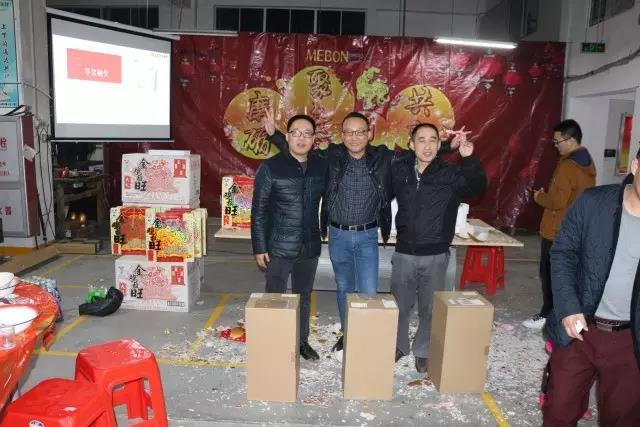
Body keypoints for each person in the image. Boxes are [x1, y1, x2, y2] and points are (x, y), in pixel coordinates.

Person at [265, 108, 457, 351]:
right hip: (338, 235)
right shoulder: (331, 157)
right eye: (349, 132)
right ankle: (348, 333)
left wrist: (448, 147)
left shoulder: (384, 158)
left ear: (369, 134)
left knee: (368, 290)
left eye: (360, 132)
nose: (354, 137)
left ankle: (364, 335)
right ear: (342, 135)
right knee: (344, 287)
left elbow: (419, 152)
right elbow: (300, 150)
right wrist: (274, 135)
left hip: (367, 235)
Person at [543, 147, 640, 426]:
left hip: (630, 341)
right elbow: (563, 252)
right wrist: (568, 307)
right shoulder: (594, 202)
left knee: (623, 418)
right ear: (635, 166)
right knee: (559, 411)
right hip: (580, 329)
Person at [391, 123, 486, 373]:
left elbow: (478, 189)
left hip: (435, 253)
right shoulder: (400, 171)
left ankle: (423, 350)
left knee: (430, 307)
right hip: (403, 252)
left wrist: (469, 159)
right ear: (411, 144)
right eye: (421, 140)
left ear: (438, 144)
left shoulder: (450, 174)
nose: (427, 146)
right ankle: (399, 345)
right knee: (400, 304)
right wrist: (446, 148)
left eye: (433, 140)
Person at [251, 114, 327, 361]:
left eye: (307, 134)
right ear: (287, 136)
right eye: (296, 133)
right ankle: (274, 343)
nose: (301, 138)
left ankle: (301, 340)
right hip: (278, 247)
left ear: (314, 139)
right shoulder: (271, 167)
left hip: (309, 246)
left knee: (303, 297)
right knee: (275, 296)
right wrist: (259, 246)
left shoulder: (321, 166)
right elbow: (259, 210)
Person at [522, 119, 596, 329]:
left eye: (557, 142)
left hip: (556, 230)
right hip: (575, 228)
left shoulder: (568, 166)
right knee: (566, 276)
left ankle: (547, 316)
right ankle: (564, 315)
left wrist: (540, 197)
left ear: (570, 140)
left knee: (550, 275)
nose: (555, 146)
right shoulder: (588, 162)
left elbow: (556, 201)